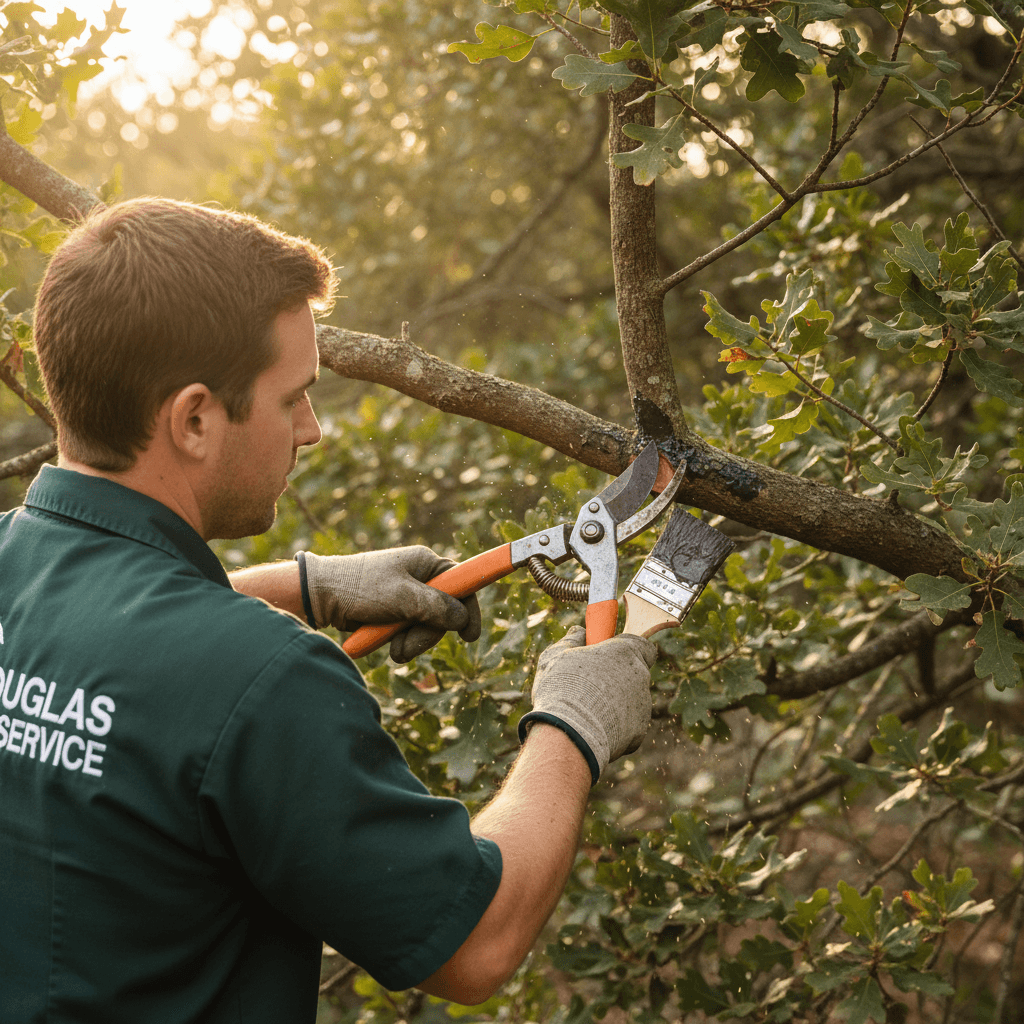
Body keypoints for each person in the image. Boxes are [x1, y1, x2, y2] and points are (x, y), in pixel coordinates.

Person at [0, 198, 658, 1023]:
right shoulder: (265, 682)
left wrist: (302, 586)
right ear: (194, 419)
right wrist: (573, 727)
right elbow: (475, 942)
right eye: (293, 399)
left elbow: (101, 644)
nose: (311, 430)